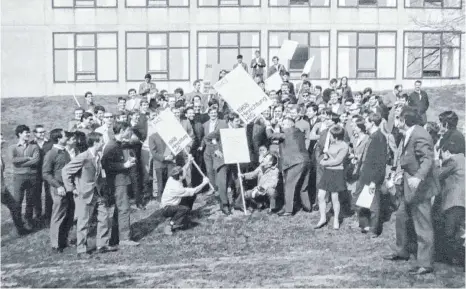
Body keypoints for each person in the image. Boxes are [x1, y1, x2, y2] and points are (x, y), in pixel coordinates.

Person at [383, 106, 439, 275]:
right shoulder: (408, 134)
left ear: (406, 120)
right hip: (408, 185)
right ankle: (402, 251)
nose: (396, 121)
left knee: (423, 225)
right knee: (401, 217)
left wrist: (418, 177)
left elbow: (427, 159)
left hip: (420, 188)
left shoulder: (420, 134)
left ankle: (425, 263)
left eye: (399, 118)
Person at [62, 132, 114, 258]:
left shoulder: (97, 156)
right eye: (101, 141)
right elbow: (66, 171)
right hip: (84, 194)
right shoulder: (83, 157)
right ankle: (81, 250)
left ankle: (102, 244)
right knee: (83, 222)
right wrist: (71, 188)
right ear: (95, 142)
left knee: (104, 216)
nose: (103, 143)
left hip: (97, 192)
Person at [102, 122, 140, 246]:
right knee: (124, 209)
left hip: (122, 180)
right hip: (118, 182)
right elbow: (105, 164)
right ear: (123, 130)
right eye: (128, 130)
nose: (130, 133)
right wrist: (124, 165)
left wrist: (127, 161)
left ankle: (115, 238)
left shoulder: (117, 144)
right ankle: (124, 239)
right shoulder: (111, 146)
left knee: (119, 209)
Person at [269, 117, 311, 216]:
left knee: (289, 185)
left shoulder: (287, 132)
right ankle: (308, 207)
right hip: (306, 160)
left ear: (290, 125)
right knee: (303, 186)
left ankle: (288, 210)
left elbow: (270, 135)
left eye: (284, 124)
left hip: (295, 162)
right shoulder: (299, 131)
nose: (282, 125)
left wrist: (268, 126)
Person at [42, 129, 75, 253]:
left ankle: (63, 241)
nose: (67, 137)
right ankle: (55, 245)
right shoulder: (51, 153)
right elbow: (46, 173)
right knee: (58, 215)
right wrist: (58, 186)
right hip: (59, 189)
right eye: (65, 136)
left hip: (68, 187)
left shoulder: (65, 151)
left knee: (69, 215)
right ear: (59, 138)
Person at [355, 112, 387, 237]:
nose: (365, 125)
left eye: (367, 122)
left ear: (372, 123)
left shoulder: (379, 137)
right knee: (360, 201)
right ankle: (365, 225)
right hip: (365, 174)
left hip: (372, 176)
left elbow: (380, 161)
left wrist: (374, 180)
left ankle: (373, 229)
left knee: (373, 204)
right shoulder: (373, 136)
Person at [434, 140, 465, 266]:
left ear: (447, 152)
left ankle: (456, 258)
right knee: (460, 231)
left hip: (454, 201)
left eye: (442, 153)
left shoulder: (453, 161)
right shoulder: (463, 159)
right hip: (462, 201)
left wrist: (436, 160)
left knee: (449, 232)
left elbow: (437, 174)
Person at [315, 125, 349, 230]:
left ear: (336, 137)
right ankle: (323, 218)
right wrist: (325, 157)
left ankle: (336, 220)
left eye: (330, 135)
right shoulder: (332, 143)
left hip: (337, 172)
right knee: (321, 195)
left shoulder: (344, 146)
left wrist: (323, 163)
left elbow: (337, 161)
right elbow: (329, 155)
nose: (329, 136)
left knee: (335, 198)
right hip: (328, 171)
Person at [161, 163, 210, 235]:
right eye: (183, 173)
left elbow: (183, 169)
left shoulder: (172, 178)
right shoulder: (177, 188)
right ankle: (170, 225)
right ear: (180, 176)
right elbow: (195, 190)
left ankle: (184, 217)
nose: (185, 173)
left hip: (174, 203)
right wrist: (204, 183)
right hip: (167, 209)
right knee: (184, 208)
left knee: (192, 196)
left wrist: (189, 161)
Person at [9, 125, 41, 229]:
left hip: (32, 176)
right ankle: (19, 224)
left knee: (30, 200)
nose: (28, 134)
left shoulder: (34, 146)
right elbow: (13, 160)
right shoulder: (12, 147)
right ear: (19, 134)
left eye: (28, 132)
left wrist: (20, 163)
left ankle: (29, 220)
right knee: (17, 200)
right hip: (19, 177)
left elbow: (36, 160)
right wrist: (27, 158)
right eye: (26, 133)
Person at [1, 133, 31, 236]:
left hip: (2, 188)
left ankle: (21, 230)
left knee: (14, 206)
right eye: (1, 139)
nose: (3, 140)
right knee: (14, 206)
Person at [198, 106, 228, 192]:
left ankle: (220, 188)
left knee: (217, 168)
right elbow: (204, 137)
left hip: (218, 148)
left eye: (215, 112)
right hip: (208, 148)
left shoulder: (222, 122)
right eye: (211, 113)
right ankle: (213, 188)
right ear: (208, 114)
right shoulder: (205, 124)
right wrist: (201, 145)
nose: (213, 114)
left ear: (217, 113)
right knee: (209, 169)